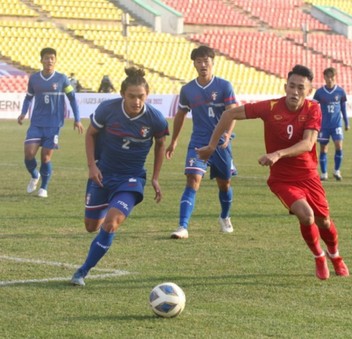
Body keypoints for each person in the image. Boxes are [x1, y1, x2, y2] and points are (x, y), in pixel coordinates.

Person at [197, 65, 349, 280]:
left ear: (309, 90)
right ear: (285, 86)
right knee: (306, 216)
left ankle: (335, 256)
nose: (295, 92)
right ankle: (319, 256)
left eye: (301, 88)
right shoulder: (270, 107)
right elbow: (230, 114)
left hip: (309, 176)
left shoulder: (313, 109)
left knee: (324, 221)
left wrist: (278, 153)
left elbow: (307, 144)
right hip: (282, 179)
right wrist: (212, 146)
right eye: (292, 86)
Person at [71, 67, 169, 286]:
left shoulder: (155, 119)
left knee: (111, 223)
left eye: (141, 96)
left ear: (147, 95)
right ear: (123, 94)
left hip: (131, 179)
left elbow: (161, 143)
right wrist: (92, 167)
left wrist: (155, 177)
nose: (136, 101)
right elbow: (90, 134)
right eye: (132, 96)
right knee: (90, 227)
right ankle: (107, 204)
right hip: (102, 174)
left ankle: (82, 271)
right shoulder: (108, 109)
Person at [165, 46, 238, 239]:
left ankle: (224, 216)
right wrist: (174, 141)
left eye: (206, 61)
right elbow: (180, 114)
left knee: (225, 184)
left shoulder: (224, 86)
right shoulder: (187, 89)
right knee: (192, 180)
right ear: (194, 64)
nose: (203, 64)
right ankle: (182, 226)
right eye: (199, 61)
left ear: (213, 63)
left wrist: (227, 136)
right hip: (198, 142)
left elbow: (233, 113)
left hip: (221, 144)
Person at [17, 47, 84, 198]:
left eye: (52, 58)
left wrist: (77, 119)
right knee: (29, 154)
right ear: (41, 60)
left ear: (55, 60)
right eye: (47, 58)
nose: (49, 61)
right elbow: (28, 97)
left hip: (54, 124)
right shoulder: (34, 79)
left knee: (46, 157)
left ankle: (44, 188)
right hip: (36, 123)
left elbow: (72, 98)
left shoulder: (62, 79)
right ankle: (35, 175)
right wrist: (23, 113)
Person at [313, 67, 349, 181]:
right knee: (323, 149)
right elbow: (313, 109)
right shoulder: (319, 92)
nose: (329, 79)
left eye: (332, 77)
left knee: (339, 146)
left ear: (335, 77)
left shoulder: (340, 91)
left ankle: (337, 171)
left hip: (336, 125)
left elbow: (343, 108)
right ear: (324, 77)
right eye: (327, 77)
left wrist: (346, 123)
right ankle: (324, 173)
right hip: (324, 125)